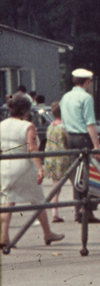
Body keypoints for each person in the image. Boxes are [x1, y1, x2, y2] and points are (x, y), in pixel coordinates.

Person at [1, 93, 65, 252]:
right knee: (38, 200)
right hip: (23, 167)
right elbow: (32, 147)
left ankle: (4, 236)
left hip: (5, 166)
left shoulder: (1, 125)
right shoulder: (28, 126)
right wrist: (39, 168)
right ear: (26, 111)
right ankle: (47, 233)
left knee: (7, 201)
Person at [59, 68, 100, 223]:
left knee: (77, 176)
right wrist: (97, 145)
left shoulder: (65, 97)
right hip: (83, 138)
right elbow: (90, 123)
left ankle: (79, 210)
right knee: (89, 175)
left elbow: (64, 122)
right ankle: (87, 211)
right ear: (87, 81)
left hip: (71, 138)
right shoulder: (86, 98)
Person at [43, 102, 68, 223]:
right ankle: (78, 210)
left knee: (56, 187)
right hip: (64, 158)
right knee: (76, 183)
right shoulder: (64, 127)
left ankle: (54, 213)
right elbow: (68, 141)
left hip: (51, 158)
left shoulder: (50, 126)